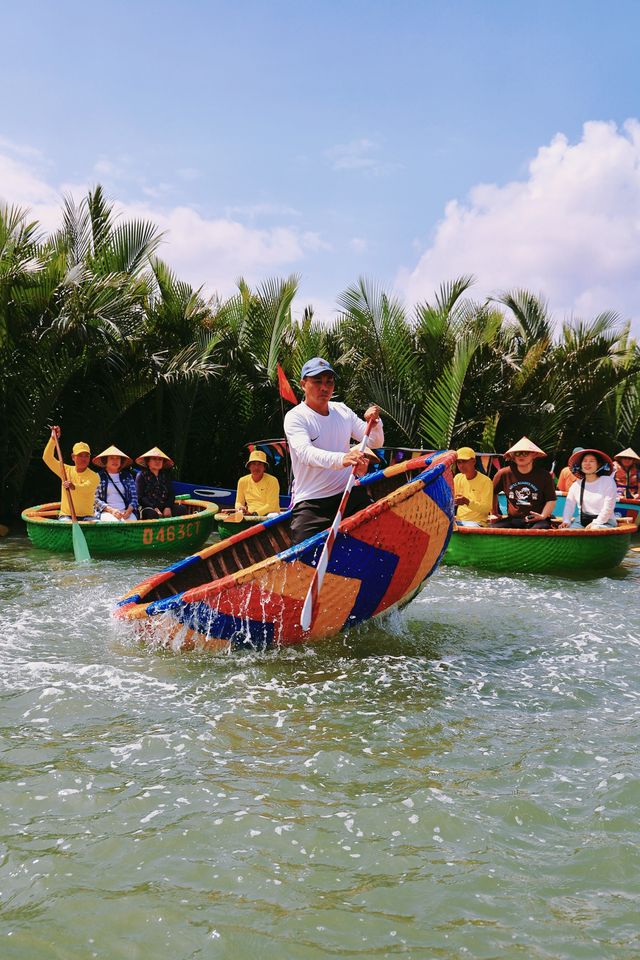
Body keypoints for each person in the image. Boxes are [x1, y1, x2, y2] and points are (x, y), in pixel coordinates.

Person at [284, 356, 383, 544]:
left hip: (348, 493)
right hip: (312, 503)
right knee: (302, 561)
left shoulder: (342, 410)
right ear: (303, 384)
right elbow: (306, 454)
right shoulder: (295, 417)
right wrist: (343, 459)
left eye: (329, 382)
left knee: (379, 535)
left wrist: (375, 423)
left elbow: (374, 441)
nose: (324, 387)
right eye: (317, 382)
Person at [491, 436, 556, 529]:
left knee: (539, 530)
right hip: (513, 519)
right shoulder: (503, 473)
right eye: (517, 453)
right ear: (513, 456)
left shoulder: (544, 475)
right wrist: (494, 512)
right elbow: (492, 493)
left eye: (525, 453)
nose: (521, 456)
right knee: (494, 529)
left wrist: (543, 516)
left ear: (533, 455)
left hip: (537, 520)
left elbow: (551, 500)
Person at [42, 426, 99, 521]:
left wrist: (73, 486)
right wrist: (53, 439)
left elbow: (87, 488)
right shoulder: (65, 470)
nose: (84, 459)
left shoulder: (94, 476)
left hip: (87, 516)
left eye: (86, 456)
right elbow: (47, 457)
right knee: (66, 524)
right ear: (73, 457)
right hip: (66, 515)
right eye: (80, 455)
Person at [559, 449, 617, 529]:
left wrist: (595, 523)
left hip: (605, 522)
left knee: (594, 529)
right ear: (580, 465)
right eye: (584, 461)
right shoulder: (576, 485)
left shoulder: (608, 481)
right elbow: (569, 505)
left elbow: (608, 507)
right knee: (565, 531)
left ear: (598, 465)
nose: (587, 464)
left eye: (592, 461)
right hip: (582, 521)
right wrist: (566, 520)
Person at [93, 446, 138, 522]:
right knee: (114, 522)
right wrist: (111, 510)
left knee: (133, 524)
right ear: (105, 461)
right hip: (106, 512)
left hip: (126, 511)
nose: (115, 461)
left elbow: (134, 498)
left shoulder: (128, 476)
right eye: (112, 458)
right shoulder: (98, 476)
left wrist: (129, 510)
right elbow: (94, 499)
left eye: (118, 458)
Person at [135, 447, 179, 520]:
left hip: (164, 507)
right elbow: (140, 497)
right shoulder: (141, 475)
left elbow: (171, 494)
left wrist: (167, 507)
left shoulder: (165, 476)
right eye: (154, 459)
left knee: (181, 509)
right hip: (147, 508)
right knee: (152, 514)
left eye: (160, 459)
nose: (157, 461)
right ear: (148, 462)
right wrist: (154, 508)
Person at [453, 446, 493, 526]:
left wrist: (467, 502)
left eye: (464, 461)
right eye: (458, 462)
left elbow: (486, 509)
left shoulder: (486, 481)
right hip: (458, 521)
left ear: (474, 461)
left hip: (477, 523)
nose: (461, 465)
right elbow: (451, 499)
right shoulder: (458, 478)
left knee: (469, 526)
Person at [235, 450, 280, 516]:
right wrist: (240, 508)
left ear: (264, 467)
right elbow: (239, 502)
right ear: (249, 466)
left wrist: (254, 513)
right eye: (253, 464)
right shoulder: (242, 481)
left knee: (272, 515)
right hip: (250, 515)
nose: (256, 467)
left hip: (269, 516)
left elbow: (271, 505)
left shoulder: (272, 480)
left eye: (259, 464)